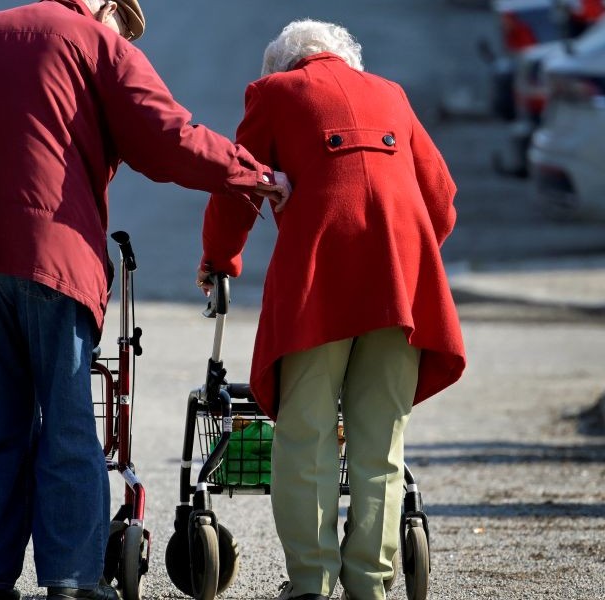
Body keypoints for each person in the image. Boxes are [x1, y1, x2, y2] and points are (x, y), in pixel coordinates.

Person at [0, 2, 289, 600]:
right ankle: (72, 583)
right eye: (125, 22)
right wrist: (254, 173)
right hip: (54, 259)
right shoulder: (96, 42)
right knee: (71, 426)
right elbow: (168, 137)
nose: (124, 35)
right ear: (104, 6)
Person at [196, 19, 466, 600]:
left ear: (283, 67)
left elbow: (238, 186)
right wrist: (404, 258)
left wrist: (219, 261)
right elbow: (441, 200)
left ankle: (312, 583)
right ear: (346, 59)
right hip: (400, 289)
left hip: (318, 286)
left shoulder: (273, 94)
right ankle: (369, 583)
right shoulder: (390, 94)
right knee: (380, 443)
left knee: (306, 435)